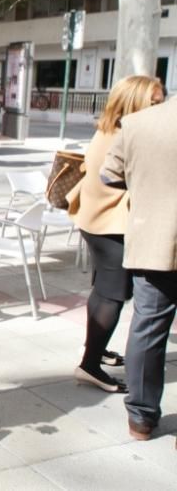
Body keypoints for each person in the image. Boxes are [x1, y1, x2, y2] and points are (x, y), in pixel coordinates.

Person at [68, 76, 164, 394]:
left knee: (102, 291)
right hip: (111, 225)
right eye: (154, 102)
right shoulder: (130, 133)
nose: (159, 108)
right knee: (113, 294)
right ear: (136, 102)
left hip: (94, 220)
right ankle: (90, 364)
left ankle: (96, 350)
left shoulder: (108, 128)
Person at [100, 90, 176, 441]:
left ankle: (141, 419)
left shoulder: (137, 124)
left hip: (155, 240)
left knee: (148, 328)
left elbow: (108, 175)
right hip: (155, 242)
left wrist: (144, 183)